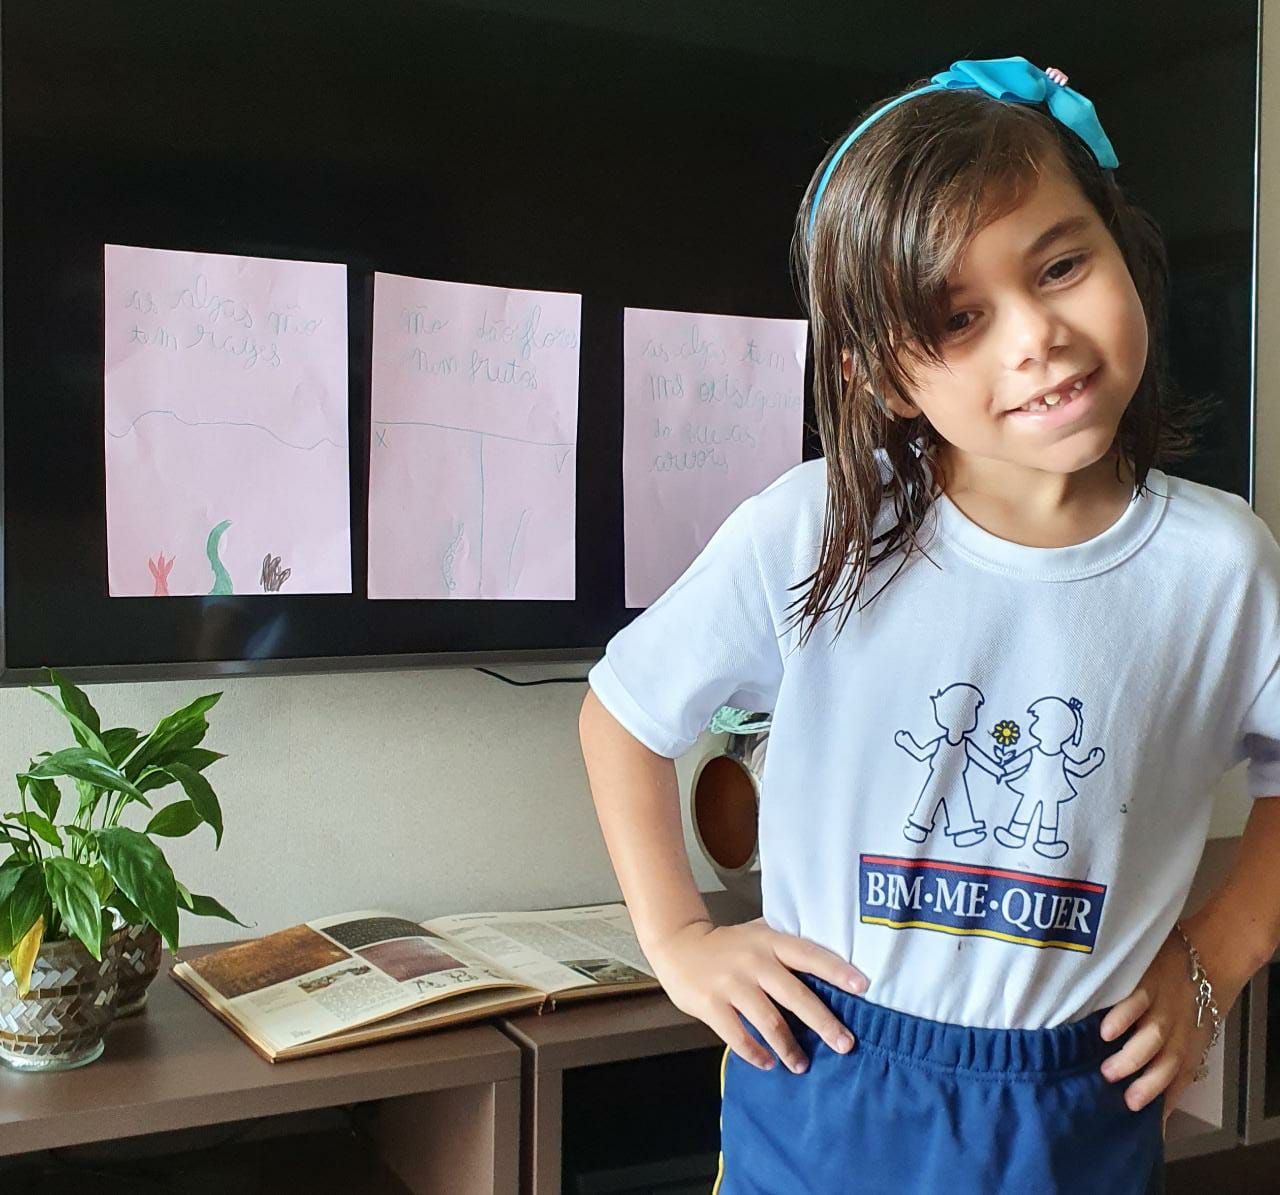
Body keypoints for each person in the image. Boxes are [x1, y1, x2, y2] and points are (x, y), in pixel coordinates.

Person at [578, 56, 1280, 1193]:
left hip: (1074, 1097)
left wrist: (1220, 955)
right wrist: (679, 940)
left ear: (1121, 247)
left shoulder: (1222, 564)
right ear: (886, 377)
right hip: (827, 1073)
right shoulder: (815, 527)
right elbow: (621, 713)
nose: (1033, 335)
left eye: (1060, 265)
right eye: (957, 318)